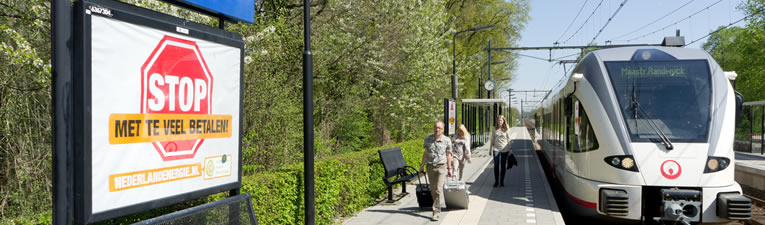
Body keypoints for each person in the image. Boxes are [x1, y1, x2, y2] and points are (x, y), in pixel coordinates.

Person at [419, 120, 452, 221]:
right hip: (430, 167)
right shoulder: (428, 139)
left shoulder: (447, 140)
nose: (437, 129)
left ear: (443, 129)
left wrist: (450, 168)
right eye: (435, 127)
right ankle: (436, 205)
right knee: (433, 189)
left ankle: (436, 212)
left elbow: (448, 155)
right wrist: (421, 166)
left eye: (439, 128)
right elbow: (426, 153)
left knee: (438, 189)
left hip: (441, 167)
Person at [489, 115, 511, 187]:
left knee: (503, 165)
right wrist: (490, 149)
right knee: (496, 165)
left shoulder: (506, 128)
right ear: (497, 121)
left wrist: (510, 149)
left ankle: (501, 181)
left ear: (503, 121)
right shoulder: (494, 129)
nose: (500, 122)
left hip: (505, 149)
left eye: (501, 120)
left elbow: (509, 139)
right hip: (496, 149)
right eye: (498, 120)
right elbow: (492, 139)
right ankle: (496, 181)